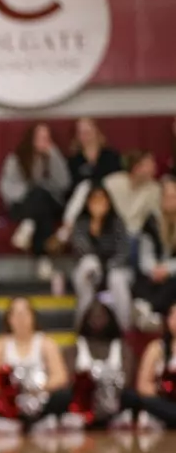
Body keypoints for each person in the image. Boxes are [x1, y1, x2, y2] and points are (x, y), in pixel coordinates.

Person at [0, 296, 70, 434]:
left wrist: (38, 387)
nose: (20, 319)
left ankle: (40, 421)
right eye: (16, 314)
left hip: (40, 398)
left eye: (25, 313)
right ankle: (9, 421)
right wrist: (9, 391)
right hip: (10, 401)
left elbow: (61, 376)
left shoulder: (46, 343)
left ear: (33, 316)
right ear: (8, 319)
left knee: (64, 396)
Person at [0, 123, 70, 276]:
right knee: (37, 200)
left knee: (41, 195)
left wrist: (53, 154)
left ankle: (28, 227)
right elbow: (6, 187)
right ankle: (43, 259)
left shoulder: (52, 156)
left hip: (51, 203)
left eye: (46, 138)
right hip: (22, 205)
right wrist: (29, 194)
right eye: (40, 137)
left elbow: (64, 183)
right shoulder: (16, 159)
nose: (43, 141)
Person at [69, 184, 134, 331]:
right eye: (94, 200)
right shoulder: (81, 223)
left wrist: (109, 267)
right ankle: (81, 326)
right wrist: (95, 223)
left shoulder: (117, 223)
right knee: (89, 264)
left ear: (109, 203)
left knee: (117, 279)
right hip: (88, 271)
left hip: (114, 268)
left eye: (102, 200)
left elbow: (123, 251)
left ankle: (124, 328)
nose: (98, 204)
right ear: (88, 203)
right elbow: (81, 249)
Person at [66, 299, 132, 431]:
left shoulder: (123, 348)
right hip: (81, 411)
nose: (97, 320)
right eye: (93, 316)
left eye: (101, 316)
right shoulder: (74, 349)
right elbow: (69, 382)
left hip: (116, 407)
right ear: (85, 319)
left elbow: (127, 382)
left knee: (132, 398)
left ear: (111, 318)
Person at [135, 179, 176, 321]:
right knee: (142, 279)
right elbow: (145, 254)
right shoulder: (152, 221)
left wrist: (167, 269)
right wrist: (154, 269)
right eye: (167, 197)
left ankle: (150, 308)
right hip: (154, 271)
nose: (170, 201)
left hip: (173, 272)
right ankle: (147, 311)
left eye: (174, 197)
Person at [132, 304, 176, 431]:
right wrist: (166, 391)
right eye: (172, 315)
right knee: (142, 400)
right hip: (163, 402)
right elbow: (143, 385)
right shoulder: (156, 348)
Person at [67, 116, 121, 194]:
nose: (84, 136)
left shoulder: (111, 156)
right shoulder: (74, 161)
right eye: (81, 133)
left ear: (97, 132)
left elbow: (118, 181)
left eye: (88, 132)